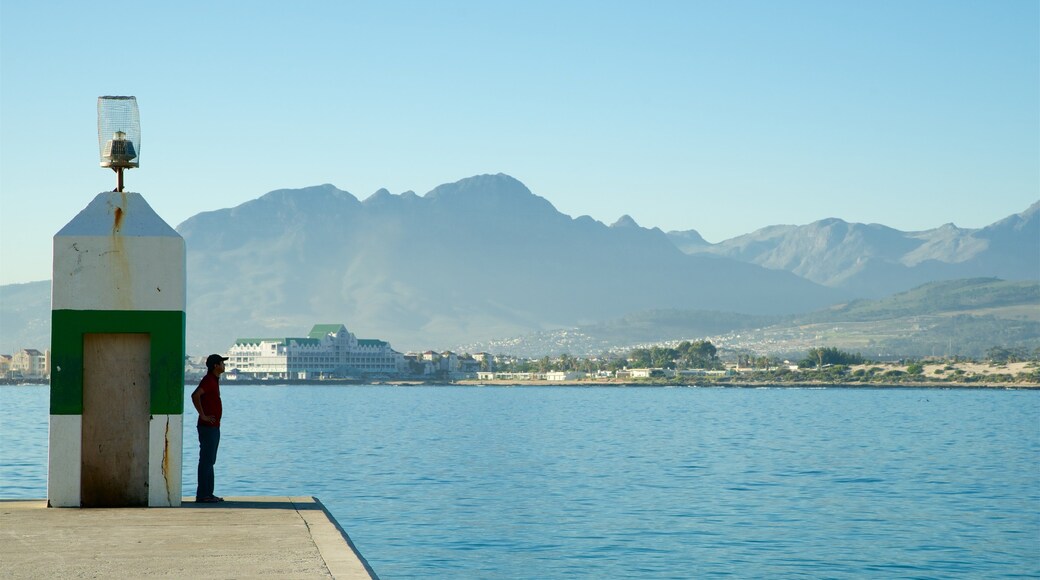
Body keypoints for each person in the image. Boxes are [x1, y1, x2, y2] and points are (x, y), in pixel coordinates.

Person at [192, 354, 227, 503]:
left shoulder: (214, 380)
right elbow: (195, 395)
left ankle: (208, 494)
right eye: (221, 363)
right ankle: (202, 495)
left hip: (213, 427)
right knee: (206, 461)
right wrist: (203, 415)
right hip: (207, 427)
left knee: (210, 461)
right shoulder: (209, 381)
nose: (224, 366)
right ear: (215, 366)